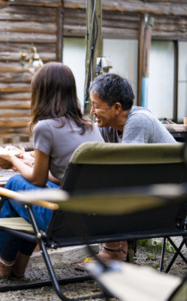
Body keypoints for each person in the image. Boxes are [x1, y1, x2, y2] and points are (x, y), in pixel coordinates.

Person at [0, 62, 104, 278]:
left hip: (62, 221)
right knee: (22, 198)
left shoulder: (46, 127)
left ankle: (2, 258)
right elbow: (64, 175)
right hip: (96, 219)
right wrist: (28, 158)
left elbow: (37, 180)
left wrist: (11, 159)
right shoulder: (88, 125)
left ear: (41, 93)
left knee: (15, 184)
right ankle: (17, 264)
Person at [75, 72, 176, 268]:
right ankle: (116, 250)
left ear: (117, 108)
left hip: (172, 203)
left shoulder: (138, 121)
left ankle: (115, 252)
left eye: (95, 105)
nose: (92, 111)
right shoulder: (108, 126)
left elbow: (125, 171)